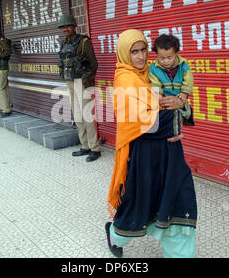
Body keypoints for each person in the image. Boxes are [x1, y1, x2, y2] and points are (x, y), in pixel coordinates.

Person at [105, 29, 197, 258]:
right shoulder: (125, 80)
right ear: (125, 54)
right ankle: (115, 236)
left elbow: (179, 105)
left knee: (179, 201)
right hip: (144, 155)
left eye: (143, 50)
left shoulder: (154, 72)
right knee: (139, 206)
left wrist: (180, 105)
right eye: (134, 52)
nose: (140, 57)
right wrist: (177, 115)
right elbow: (146, 123)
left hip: (171, 152)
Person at [58, 14, 101, 162]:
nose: (65, 29)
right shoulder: (64, 43)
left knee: (87, 115)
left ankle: (95, 148)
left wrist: (85, 79)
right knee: (77, 115)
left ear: (74, 26)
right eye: (63, 27)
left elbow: (93, 64)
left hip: (82, 82)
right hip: (70, 81)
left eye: (68, 26)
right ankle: (85, 146)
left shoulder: (84, 42)